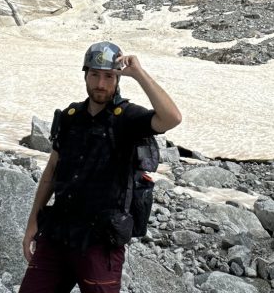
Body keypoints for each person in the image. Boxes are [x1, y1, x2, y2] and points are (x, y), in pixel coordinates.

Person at [19, 42, 182, 293]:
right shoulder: (70, 116)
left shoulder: (127, 118)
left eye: (109, 76)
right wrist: (33, 222)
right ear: (85, 74)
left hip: (101, 243)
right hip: (57, 235)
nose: (101, 84)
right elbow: (52, 170)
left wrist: (138, 73)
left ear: (118, 79)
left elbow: (172, 118)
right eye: (94, 74)